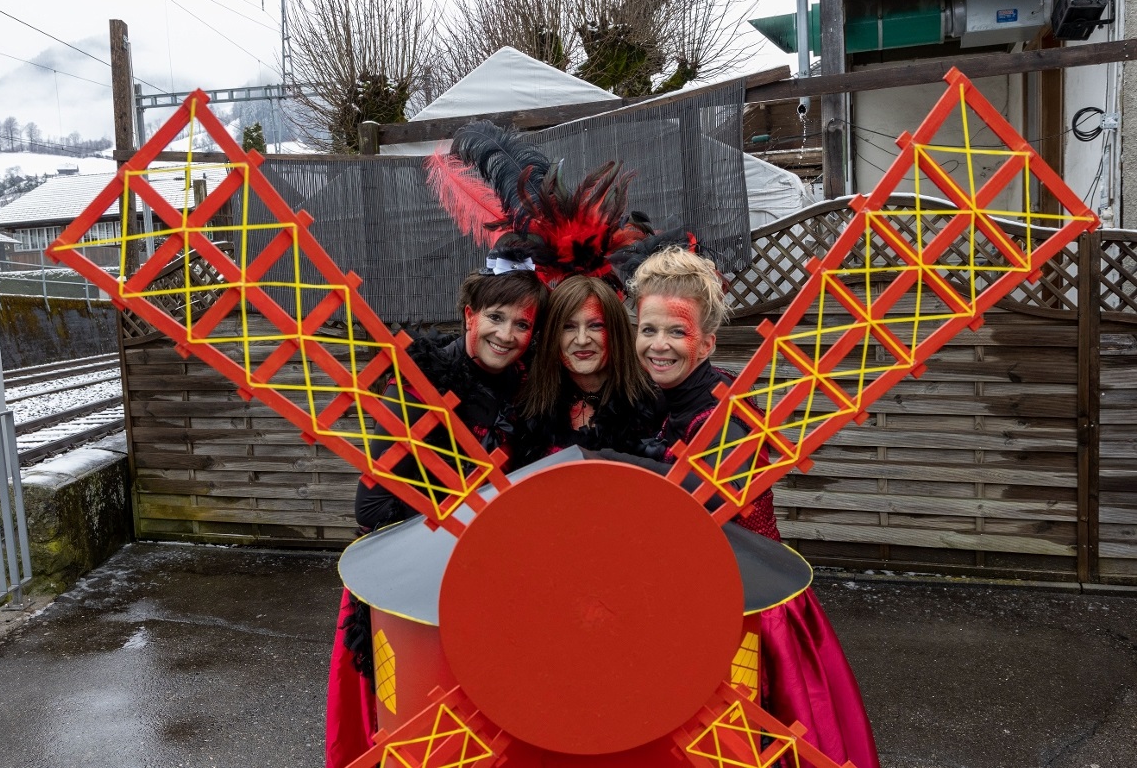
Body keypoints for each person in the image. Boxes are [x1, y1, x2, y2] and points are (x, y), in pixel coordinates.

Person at [628, 246, 882, 768]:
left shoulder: (727, 415)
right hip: (684, 603)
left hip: (747, 612)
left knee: (738, 745)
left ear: (706, 341)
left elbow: (683, 515)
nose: (659, 345)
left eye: (676, 331)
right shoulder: (654, 400)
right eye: (648, 329)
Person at [326, 256, 548, 768]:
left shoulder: (528, 388)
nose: (506, 334)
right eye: (496, 317)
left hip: (495, 588)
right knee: (431, 738)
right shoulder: (422, 384)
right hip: (418, 588)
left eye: (521, 324)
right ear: (470, 314)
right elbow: (373, 504)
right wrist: (473, 506)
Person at [514, 276, 660, 465]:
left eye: (596, 325)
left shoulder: (655, 400)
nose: (582, 340)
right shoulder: (523, 401)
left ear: (616, 331)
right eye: (568, 327)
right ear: (552, 335)